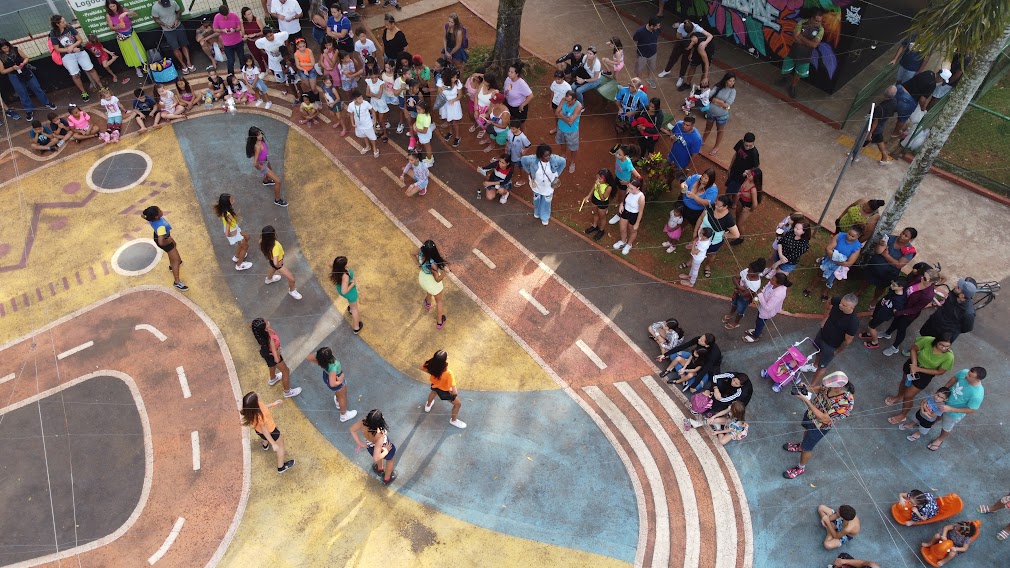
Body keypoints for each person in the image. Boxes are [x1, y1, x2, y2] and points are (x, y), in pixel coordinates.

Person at [782, 371, 854, 479]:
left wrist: (806, 400)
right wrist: (807, 389)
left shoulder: (845, 402)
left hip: (820, 426)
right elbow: (820, 389)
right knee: (806, 431)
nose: (826, 386)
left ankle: (801, 467)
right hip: (811, 414)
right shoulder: (831, 386)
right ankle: (801, 445)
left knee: (807, 448)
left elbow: (823, 418)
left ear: (839, 387)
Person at [878, 264, 938, 355]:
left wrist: (900, 312)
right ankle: (887, 333)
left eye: (925, 279)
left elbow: (916, 309)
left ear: (932, 282)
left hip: (908, 314)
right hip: (901, 306)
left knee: (901, 329)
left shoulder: (928, 295)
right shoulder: (919, 279)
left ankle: (895, 347)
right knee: (894, 322)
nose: (922, 279)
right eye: (923, 276)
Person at [802, 294, 859, 387]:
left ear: (852, 307)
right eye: (841, 303)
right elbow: (829, 302)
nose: (840, 305)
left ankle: (811, 387)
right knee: (818, 351)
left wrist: (837, 351)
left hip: (831, 346)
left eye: (844, 305)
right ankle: (814, 366)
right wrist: (825, 317)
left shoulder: (853, 322)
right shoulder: (838, 301)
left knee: (822, 366)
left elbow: (847, 341)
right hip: (822, 334)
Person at [926, 366, 985, 451]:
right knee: (937, 415)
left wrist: (950, 409)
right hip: (943, 402)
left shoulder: (977, 394)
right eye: (968, 373)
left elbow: (972, 409)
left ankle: (940, 439)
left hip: (953, 413)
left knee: (946, 427)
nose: (966, 375)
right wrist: (943, 391)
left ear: (978, 380)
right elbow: (954, 378)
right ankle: (930, 424)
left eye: (969, 376)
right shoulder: (965, 372)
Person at [49, 15, 104, 102]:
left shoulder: (69, 27)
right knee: (75, 75)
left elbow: (79, 40)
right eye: (63, 22)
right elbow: (57, 49)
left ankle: (101, 87)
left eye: (64, 21)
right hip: (67, 56)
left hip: (79, 52)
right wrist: (69, 49)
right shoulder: (53, 34)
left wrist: (73, 47)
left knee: (90, 68)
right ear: (57, 24)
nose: (65, 23)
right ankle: (83, 92)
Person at [803, 226, 864, 302]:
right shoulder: (840, 236)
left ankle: (825, 292)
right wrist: (834, 257)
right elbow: (828, 249)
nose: (849, 237)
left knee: (832, 279)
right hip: (829, 260)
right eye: (849, 234)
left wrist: (836, 260)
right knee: (820, 274)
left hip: (839, 266)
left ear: (858, 236)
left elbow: (850, 262)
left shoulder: (857, 247)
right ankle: (810, 287)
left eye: (853, 236)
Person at [858, 227, 918, 305]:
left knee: (881, 287)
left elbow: (898, 265)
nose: (902, 236)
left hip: (888, 273)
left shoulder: (909, 251)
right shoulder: (889, 238)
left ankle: (875, 299)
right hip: (874, 266)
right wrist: (880, 245)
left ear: (911, 239)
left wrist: (885, 255)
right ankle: (860, 291)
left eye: (906, 236)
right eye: (903, 233)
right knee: (866, 280)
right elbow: (877, 251)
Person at [0, 39, 56, 121]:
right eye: (4, 48)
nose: (6, 49)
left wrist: (23, 63)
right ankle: (29, 110)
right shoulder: (1, 57)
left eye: (7, 47)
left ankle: (47, 102)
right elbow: (2, 71)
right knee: (22, 93)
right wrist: (12, 68)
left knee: (36, 87)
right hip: (14, 75)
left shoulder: (15, 49)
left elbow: (26, 58)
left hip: (25, 71)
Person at [240, 391, 295, 473]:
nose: (258, 394)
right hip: (271, 431)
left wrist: (273, 404)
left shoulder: (252, 410)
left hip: (258, 431)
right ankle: (281, 467)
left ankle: (265, 446)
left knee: (264, 437)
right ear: (255, 403)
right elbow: (265, 431)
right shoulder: (260, 414)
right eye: (256, 396)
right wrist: (273, 444)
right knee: (280, 446)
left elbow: (263, 407)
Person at [914, 278, 976, 349]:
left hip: (943, 333)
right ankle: (916, 348)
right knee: (923, 337)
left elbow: (967, 328)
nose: (956, 286)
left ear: (961, 295)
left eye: (958, 287)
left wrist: (949, 328)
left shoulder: (968, 313)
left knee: (933, 347)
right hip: (933, 322)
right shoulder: (954, 293)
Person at [250, 318, 300, 397]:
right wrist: (278, 352)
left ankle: (273, 379)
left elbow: (253, 326)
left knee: (271, 365)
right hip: (274, 355)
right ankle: (287, 392)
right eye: (265, 322)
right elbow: (276, 359)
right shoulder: (270, 339)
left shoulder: (260, 334)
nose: (266, 321)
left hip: (266, 354)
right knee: (286, 371)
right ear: (264, 328)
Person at [140, 206, 187, 291]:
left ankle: (171, 266)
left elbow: (142, 215)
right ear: (156, 216)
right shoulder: (161, 227)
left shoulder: (151, 219)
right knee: (176, 260)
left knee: (174, 247)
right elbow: (161, 242)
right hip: (164, 240)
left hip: (161, 237)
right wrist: (168, 241)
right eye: (160, 211)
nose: (161, 211)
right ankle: (177, 282)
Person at [781, 8, 825, 98]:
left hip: (805, 56)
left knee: (798, 73)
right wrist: (809, 42)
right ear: (811, 18)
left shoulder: (821, 29)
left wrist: (802, 37)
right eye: (816, 20)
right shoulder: (801, 23)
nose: (818, 23)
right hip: (793, 52)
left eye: (820, 21)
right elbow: (795, 38)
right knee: (786, 68)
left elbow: (814, 45)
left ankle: (792, 87)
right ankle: (785, 79)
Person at [306, 347, 358, 422]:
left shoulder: (321, 359)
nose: (332, 352)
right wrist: (340, 380)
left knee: (339, 394)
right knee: (342, 397)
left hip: (327, 376)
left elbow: (309, 357)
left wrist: (319, 362)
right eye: (331, 353)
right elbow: (333, 384)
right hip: (336, 378)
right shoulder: (332, 366)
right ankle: (344, 415)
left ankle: (337, 401)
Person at [520, 143, 566, 226]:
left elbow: (563, 162)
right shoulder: (532, 159)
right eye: (545, 156)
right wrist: (529, 172)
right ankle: (537, 212)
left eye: (549, 155)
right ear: (540, 155)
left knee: (546, 202)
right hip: (536, 186)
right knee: (536, 200)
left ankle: (545, 217)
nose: (548, 157)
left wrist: (556, 175)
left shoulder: (554, 159)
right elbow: (523, 160)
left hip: (548, 187)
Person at [694, 195, 740, 277]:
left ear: (725, 207)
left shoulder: (729, 219)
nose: (715, 206)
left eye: (719, 206)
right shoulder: (710, 207)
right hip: (701, 235)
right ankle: (691, 261)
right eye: (716, 204)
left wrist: (724, 235)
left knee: (711, 254)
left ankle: (707, 265)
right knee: (696, 248)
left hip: (714, 242)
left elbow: (736, 234)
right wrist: (695, 233)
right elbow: (700, 219)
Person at [658, 19, 712, 89]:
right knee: (673, 57)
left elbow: (710, 36)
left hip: (692, 44)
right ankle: (666, 70)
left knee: (685, 61)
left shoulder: (697, 29)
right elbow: (678, 36)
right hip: (682, 41)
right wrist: (685, 41)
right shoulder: (681, 26)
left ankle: (681, 77)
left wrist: (705, 43)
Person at [350, 409, 398, 484]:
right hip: (384, 447)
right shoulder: (379, 435)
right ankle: (387, 478)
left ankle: (379, 468)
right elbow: (376, 457)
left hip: (370, 447)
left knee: (377, 453)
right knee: (391, 459)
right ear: (379, 423)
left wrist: (359, 442)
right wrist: (386, 451)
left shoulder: (363, 422)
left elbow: (352, 430)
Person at [422, 350, 466, 429]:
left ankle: (428, 405)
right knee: (458, 404)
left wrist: (433, 373)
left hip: (435, 385)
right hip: (444, 391)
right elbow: (455, 391)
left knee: (433, 392)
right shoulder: (448, 373)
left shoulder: (430, 364)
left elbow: (422, 368)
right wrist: (450, 390)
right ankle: (453, 420)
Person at [105, 1, 147, 80]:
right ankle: (137, 69)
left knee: (138, 49)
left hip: (131, 32)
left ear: (116, 4)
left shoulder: (123, 9)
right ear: (108, 7)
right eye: (111, 7)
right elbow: (111, 28)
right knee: (130, 52)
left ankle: (144, 65)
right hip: (122, 35)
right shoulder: (108, 15)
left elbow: (135, 14)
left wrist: (127, 13)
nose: (113, 8)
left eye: (114, 6)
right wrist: (117, 27)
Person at [744, 273, 791, 343]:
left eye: (773, 280)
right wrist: (760, 295)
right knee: (758, 321)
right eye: (772, 278)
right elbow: (765, 288)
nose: (770, 280)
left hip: (766, 312)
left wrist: (760, 295)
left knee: (760, 323)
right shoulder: (772, 283)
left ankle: (755, 336)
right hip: (762, 307)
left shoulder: (778, 294)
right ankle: (757, 331)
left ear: (779, 284)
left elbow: (768, 307)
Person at [151, 0, 195, 74]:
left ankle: (189, 63)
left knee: (184, 45)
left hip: (179, 27)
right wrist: (164, 24)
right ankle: (183, 65)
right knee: (175, 48)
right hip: (167, 31)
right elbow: (155, 18)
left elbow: (178, 11)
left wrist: (177, 20)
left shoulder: (173, 2)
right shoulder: (155, 7)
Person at [246, 126, 286, 206]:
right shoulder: (257, 146)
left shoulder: (261, 141)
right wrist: (261, 168)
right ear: (254, 137)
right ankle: (277, 200)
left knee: (270, 172)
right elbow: (255, 163)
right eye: (258, 135)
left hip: (266, 161)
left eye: (260, 133)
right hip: (263, 164)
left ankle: (266, 181)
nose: (261, 135)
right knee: (278, 181)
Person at [260, 226, 302, 300]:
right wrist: (279, 264)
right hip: (278, 264)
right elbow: (275, 263)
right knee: (292, 279)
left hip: (271, 260)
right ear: (272, 235)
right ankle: (292, 291)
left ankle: (269, 279)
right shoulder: (275, 246)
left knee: (273, 268)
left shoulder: (262, 241)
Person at [213, 193, 253, 271]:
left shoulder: (225, 211)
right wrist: (231, 235)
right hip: (234, 232)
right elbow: (227, 231)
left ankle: (237, 256)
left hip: (235, 230)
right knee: (245, 246)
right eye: (231, 199)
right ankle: (239, 265)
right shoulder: (229, 215)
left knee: (247, 237)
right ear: (227, 203)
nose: (233, 200)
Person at [862, 85, 899, 165]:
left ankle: (854, 155)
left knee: (863, 141)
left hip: (875, 127)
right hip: (883, 124)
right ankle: (885, 158)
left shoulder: (880, 108)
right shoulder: (894, 101)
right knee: (879, 140)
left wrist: (870, 132)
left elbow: (875, 122)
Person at [724, 259, 764, 329]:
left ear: (756, 273)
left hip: (744, 299)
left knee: (740, 310)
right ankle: (731, 313)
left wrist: (738, 287)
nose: (747, 270)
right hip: (737, 293)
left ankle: (736, 323)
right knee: (734, 303)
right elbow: (734, 278)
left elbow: (743, 295)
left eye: (750, 270)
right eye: (748, 268)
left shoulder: (756, 284)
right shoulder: (746, 271)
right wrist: (740, 287)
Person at [702, 72, 736, 155]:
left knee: (720, 131)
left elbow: (727, 104)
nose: (732, 83)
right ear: (725, 80)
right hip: (711, 112)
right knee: (707, 127)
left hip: (722, 115)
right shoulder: (718, 86)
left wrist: (715, 100)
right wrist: (720, 102)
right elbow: (709, 96)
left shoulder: (733, 91)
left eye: (733, 81)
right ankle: (702, 141)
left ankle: (716, 147)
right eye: (730, 81)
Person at [418, 240, 448, 329]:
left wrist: (418, 264)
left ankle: (428, 303)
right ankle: (439, 322)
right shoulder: (433, 265)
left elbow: (411, 253)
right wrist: (446, 272)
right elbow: (438, 279)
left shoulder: (420, 252)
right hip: (433, 284)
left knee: (429, 290)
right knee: (439, 301)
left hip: (423, 279)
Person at [675, 166, 716, 231]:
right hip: (683, 203)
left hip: (694, 212)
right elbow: (684, 183)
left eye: (706, 178)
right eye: (703, 176)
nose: (703, 179)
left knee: (692, 223)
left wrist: (694, 196)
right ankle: (678, 228)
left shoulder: (713, 190)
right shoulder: (695, 177)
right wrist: (684, 188)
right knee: (679, 216)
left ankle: (693, 235)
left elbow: (706, 203)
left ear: (710, 180)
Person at [581, 169, 616, 240]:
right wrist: (589, 195)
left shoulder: (609, 187)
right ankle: (594, 226)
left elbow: (603, 198)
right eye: (598, 177)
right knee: (595, 213)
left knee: (602, 217)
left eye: (600, 178)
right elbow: (594, 187)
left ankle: (601, 230)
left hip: (602, 202)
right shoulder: (598, 181)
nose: (598, 179)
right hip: (595, 199)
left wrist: (599, 187)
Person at [613, 178, 645, 255]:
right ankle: (623, 241)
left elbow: (641, 212)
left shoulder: (641, 197)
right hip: (625, 212)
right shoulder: (628, 191)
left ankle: (629, 244)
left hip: (634, 215)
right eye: (628, 187)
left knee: (632, 230)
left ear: (638, 188)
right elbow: (624, 199)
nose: (629, 190)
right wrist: (621, 204)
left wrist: (637, 223)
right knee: (622, 228)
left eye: (632, 189)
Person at [554, 90, 582, 174]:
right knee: (562, 143)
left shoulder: (578, 106)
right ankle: (563, 156)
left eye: (569, 101)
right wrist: (565, 118)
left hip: (572, 131)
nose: (567, 102)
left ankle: (572, 162)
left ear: (575, 99)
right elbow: (556, 113)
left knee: (573, 148)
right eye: (566, 100)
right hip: (561, 127)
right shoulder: (564, 100)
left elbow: (571, 122)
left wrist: (561, 115)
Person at [213, 4, 245, 75]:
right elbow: (215, 29)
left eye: (227, 15)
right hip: (227, 44)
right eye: (224, 16)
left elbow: (239, 27)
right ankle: (230, 75)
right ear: (220, 14)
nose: (226, 17)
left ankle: (244, 72)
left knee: (242, 58)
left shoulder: (234, 15)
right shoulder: (217, 17)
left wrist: (234, 30)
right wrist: (222, 30)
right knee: (230, 61)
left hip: (238, 41)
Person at [632, 17, 662, 88]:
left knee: (652, 68)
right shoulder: (640, 31)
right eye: (657, 26)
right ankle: (638, 83)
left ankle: (650, 79)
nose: (658, 27)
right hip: (642, 54)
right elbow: (635, 38)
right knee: (639, 70)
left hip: (653, 54)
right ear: (652, 26)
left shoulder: (657, 30)